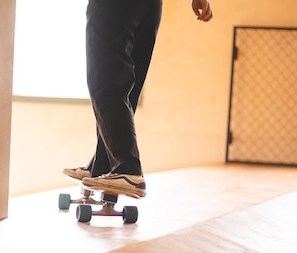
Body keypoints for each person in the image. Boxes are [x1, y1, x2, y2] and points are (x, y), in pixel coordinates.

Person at [64, 0, 214, 198]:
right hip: (150, 7)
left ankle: (127, 167)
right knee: (126, 90)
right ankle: (103, 165)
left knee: (106, 83)